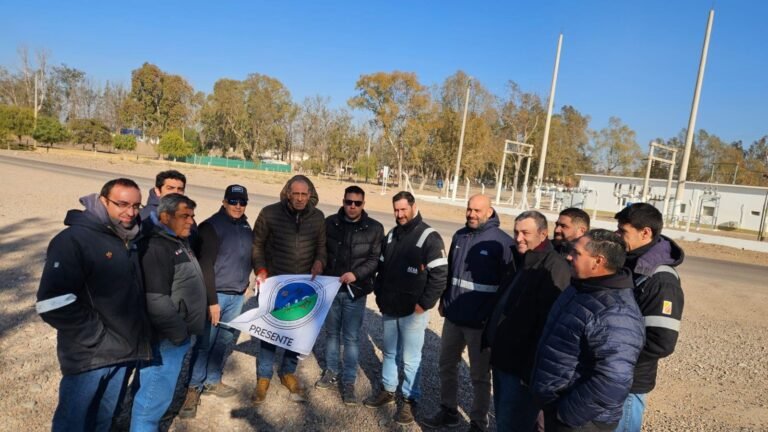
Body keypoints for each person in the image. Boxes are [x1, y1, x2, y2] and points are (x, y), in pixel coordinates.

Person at [36, 178, 152, 432]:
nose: (130, 212)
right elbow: (52, 302)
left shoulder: (130, 239)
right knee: (73, 424)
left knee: (103, 421)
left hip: (124, 352)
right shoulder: (73, 240)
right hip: (90, 355)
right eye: (122, 204)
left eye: (136, 205)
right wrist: (98, 336)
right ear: (102, 201)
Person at [531, 229, 645, 431]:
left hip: (579, 420)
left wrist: (562, 416)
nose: (568, 256)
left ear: (598, 261)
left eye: (576, 253)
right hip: (555, 407)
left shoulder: (616, 312)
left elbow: (613, 380)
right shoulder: (580, 288)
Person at [423, 194, 514, 432]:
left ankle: (477, 422)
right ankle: (448, 411)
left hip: (480, 323)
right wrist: (444, 300)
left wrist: (493, 319)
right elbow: (450, 271)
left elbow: (507, 287)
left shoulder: (503, 243)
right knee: (446, 366)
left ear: (489, 211)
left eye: (477, 210)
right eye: (468, 209)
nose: (471, 214)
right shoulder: (459, 236)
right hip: (453, 316)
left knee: (480, 376)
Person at [364, 191, 448, 426]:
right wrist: (379, 296)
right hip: (390, 307)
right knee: (390, 353)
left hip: (414, 312)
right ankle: (388, 389)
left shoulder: (429, 237)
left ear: (413, 207)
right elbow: (380, 269)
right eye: (396, 210)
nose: (399, 214)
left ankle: (410, 399)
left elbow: (440, 275)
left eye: (403, 209)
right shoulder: (391, 236)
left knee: (410, 359)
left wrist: (424, 304)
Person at [483, 210, 571, 432]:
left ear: (543, 234)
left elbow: (548, 326)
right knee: (504, 419)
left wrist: (530, 371)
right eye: (516, 232)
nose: (518, 237)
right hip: (503, 359)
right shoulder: (522, 259)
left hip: (521, 368)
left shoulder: (553, 268)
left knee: (514, 424)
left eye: (525, 233)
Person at [130, 194, 207, 431]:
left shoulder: (178, 241)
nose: (191, 221)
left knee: (157, 397)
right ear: (165, 216)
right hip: (166, 340)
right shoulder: (155, 247)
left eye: (192, 216)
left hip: (176, 337)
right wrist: (179, 334)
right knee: (151, 402)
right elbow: (155, 299)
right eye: (185, 216)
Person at [251, 175, 326, 404]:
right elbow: (257, 245)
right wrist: (261, 268)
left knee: (296, 330)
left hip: (303, 286)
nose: (300, 199)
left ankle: (287, 371)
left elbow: (322, 248)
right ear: (288, 193)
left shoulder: (318, 217)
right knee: (270, 331)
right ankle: (264, 376)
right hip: (275, 283)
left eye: (305, 194)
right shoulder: (269, 213)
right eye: (296, 194)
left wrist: (320, 262)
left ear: (310, 195)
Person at [180, 185, 254, 418]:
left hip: (237, 294)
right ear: (224, 201)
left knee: (224, 340)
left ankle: (212, 380)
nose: (238, 206)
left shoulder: (245, 225)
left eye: (242, 202)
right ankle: (193, 388)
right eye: (233, 201)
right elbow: (205, 266)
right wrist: (212, 301)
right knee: (205, 343)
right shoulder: (211, 227)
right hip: (216, 295)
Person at [614, 203, 684, 432]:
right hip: (610, 377)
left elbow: (661, 342)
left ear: (646, 233)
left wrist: (614, 357)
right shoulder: (629, 263)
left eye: (623, 231)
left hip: (629, 383)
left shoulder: (661, 279)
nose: (616, 235)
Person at [315, 185, 384, 405]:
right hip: (331, 290)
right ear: (343, 201)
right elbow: (322, 251)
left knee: (351, 338)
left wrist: (356, 274)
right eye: (348, 202)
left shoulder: (374, 228)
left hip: (356, 292)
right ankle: (331, 371)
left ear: (363, 204)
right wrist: (319, 265)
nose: (352, 207)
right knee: (332, 333)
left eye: (357, 203)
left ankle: (349, 381)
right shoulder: (330, 223)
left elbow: (374, 260)